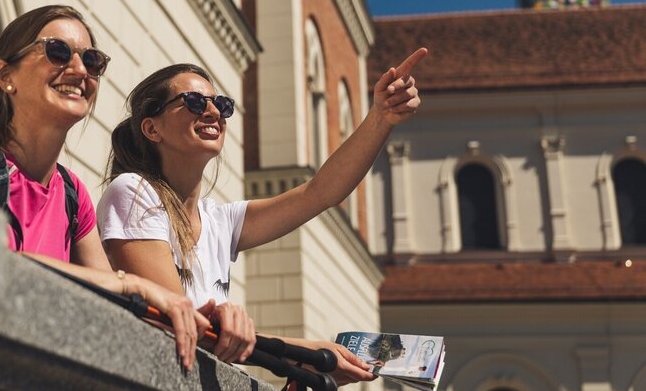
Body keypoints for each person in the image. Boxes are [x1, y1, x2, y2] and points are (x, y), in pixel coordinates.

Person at [0, 5, 210, 370]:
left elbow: (110, 303)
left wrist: (206, 324)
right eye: (58, 52)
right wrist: (131, 284)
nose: (80, 70)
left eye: (92, 60)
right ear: (6, 76)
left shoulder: (71, 192)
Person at [97, 49, 426, 384]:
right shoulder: (134, 191)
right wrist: (306, 352)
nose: (213, 112)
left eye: (222, 105)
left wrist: (381, 118)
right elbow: (179, 322)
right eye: (194, 102)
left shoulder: (219, 220)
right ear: (152, 128)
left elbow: (320, 193)